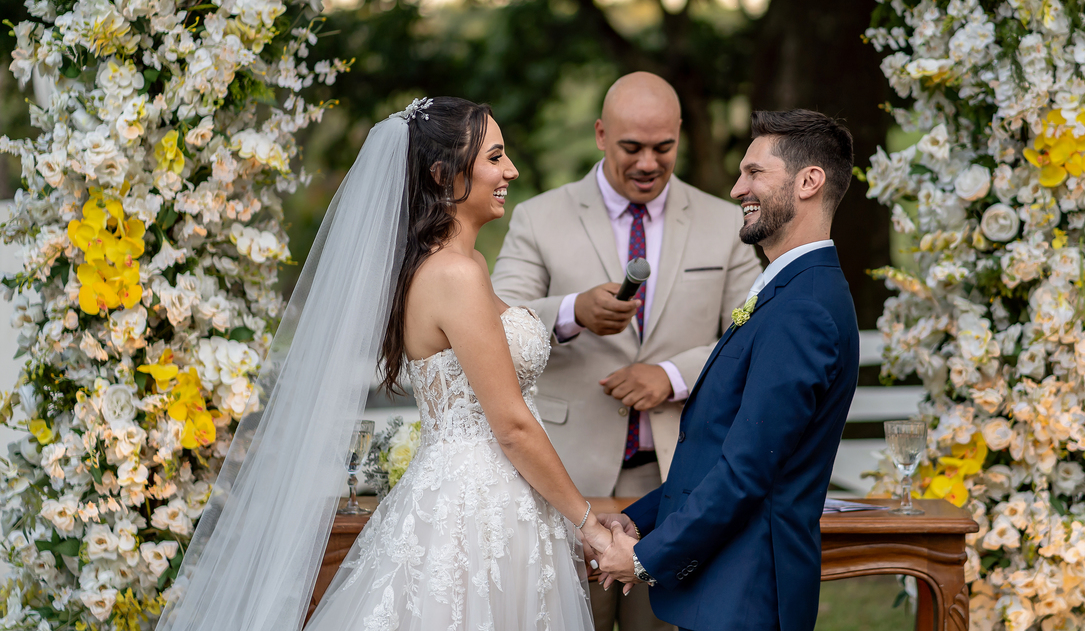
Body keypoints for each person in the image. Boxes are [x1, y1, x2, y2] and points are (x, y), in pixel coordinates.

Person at [155, 97, 609, 631]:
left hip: (497, 498)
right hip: (475, 510)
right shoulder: (453, 276)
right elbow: (509, 425)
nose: (510, 170)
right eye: (495, 157)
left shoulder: (463, 265)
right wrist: (588, 522)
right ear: (444, 174)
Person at [491, 72, 761, 631]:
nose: (647, 163)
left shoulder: (723, 221)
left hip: (674, 480)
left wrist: (673, 374)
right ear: (599, 134)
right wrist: (570, 313)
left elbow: (754, 332)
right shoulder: (538, 217)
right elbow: (496, 320)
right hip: (564, 476)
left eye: (663, 148)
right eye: (631, 148)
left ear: (681, 135)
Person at [595, 109, 861, 631]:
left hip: (749, 595)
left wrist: (647, 557)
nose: (739, 187)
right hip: (727, 591)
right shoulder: (787, 291)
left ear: (809, 182)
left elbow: (748, 471)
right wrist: (639, 517)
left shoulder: (804, 307)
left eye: (755, 172)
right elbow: (718, 449)